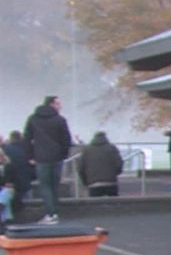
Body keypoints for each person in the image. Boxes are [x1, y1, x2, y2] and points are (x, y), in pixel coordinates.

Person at [23, 95, 72, 224]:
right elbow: (66, 140)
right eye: (57, 103)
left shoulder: (33, 119)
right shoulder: (60, 120)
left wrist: (30, 156)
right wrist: (64, 154)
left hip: (41, 157)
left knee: (45, 186)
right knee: (54, 186)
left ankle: (51, 214)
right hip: (57, 158)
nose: (59, 106)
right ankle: (54, 213)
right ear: (51, 104)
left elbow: (27, 138)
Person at [78, 131, 123, 197]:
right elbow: (119, 164)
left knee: (94, 206)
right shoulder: (112, 148)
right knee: (113, 204)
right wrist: (114, 174)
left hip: (93, 184)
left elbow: (81, 168)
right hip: (111, 182)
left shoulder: (87, 150)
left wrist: (86, 182)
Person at [2, 130, 33, 212]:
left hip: (11, 181)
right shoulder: (27, 149)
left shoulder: (6, 149)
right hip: (25, 180)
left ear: (11, 138)